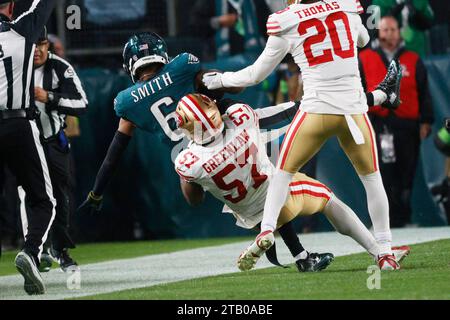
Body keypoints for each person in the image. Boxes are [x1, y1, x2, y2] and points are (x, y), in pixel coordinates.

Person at [202, 0, 408, 270]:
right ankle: (384, 253)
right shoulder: (346, 6)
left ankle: (266, 230)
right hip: (353, 111)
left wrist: (219, 80)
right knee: (371, 180)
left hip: (316, 111)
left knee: (282, 174)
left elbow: (254, 74)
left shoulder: (286, 20)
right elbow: (363, 39)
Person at [174, 94, 410, 271]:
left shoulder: (187, 162)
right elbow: (230, 102)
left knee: (270, 192)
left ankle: (301, 256)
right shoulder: (242, 119)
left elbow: (194, 199)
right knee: (328, 199)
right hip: (279, 198)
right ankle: (380, 253)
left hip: (246, 215)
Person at [0, 0, 57, 295]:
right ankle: (31, 251)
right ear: (10, 6)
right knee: (42, 199)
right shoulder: (22, 31)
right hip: (18, 124)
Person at [359, 16, 434, 227]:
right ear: (378, 32)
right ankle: (386, 221)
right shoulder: (365, 57)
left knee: (407, 172)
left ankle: (404, 217)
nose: (388, 34)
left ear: (399, 32)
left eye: (392, 29)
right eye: (384, 30)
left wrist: (426, 121)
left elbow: (424, 92)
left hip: (408, 125)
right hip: (378, 123)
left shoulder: (412, 58)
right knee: (383, 172)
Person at [27, 26, 88, 271]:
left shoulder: (61, 67)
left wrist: (50, 97)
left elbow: (82, 103)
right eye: (32, 44)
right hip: (24, 143)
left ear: (48, 44)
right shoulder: (14, 65)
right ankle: (33, 250)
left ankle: (59, 248)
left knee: (60, 196)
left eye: (41, 44)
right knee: (28, 195)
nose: (36, 50)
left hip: (53, 140)